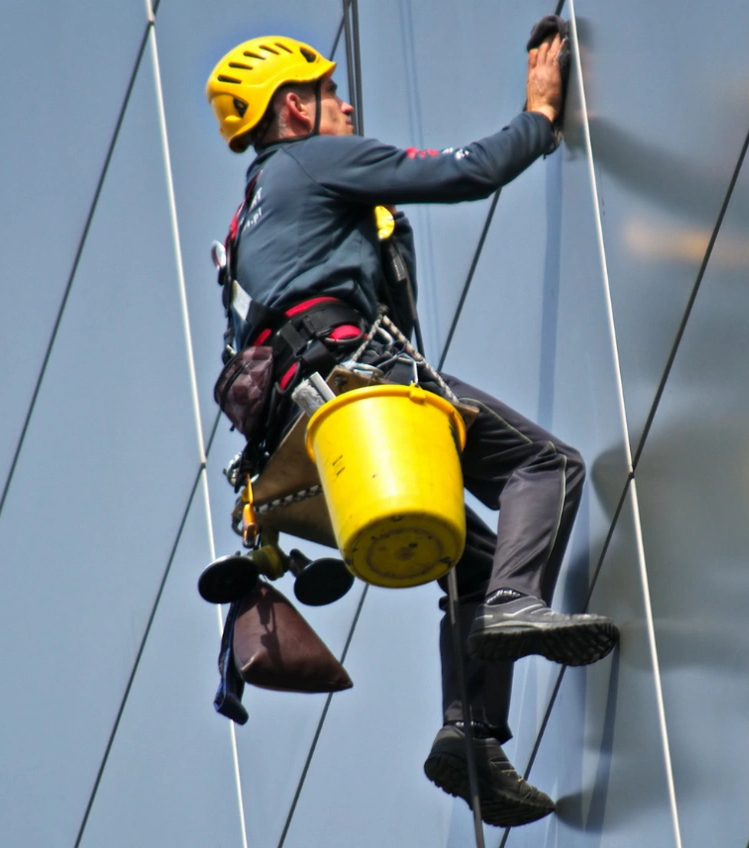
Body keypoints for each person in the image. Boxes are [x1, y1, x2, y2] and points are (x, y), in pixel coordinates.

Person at [204, 28, 617, 827]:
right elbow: (465, 172)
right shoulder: (309, 162)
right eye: (329, 92)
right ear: (294, 107)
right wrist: (538, 116)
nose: (346, 103)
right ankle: (515, 608)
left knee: (477, 557)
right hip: (359, 387)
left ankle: (470, 740)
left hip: (302, 440)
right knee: (548, 468)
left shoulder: (248, 218)